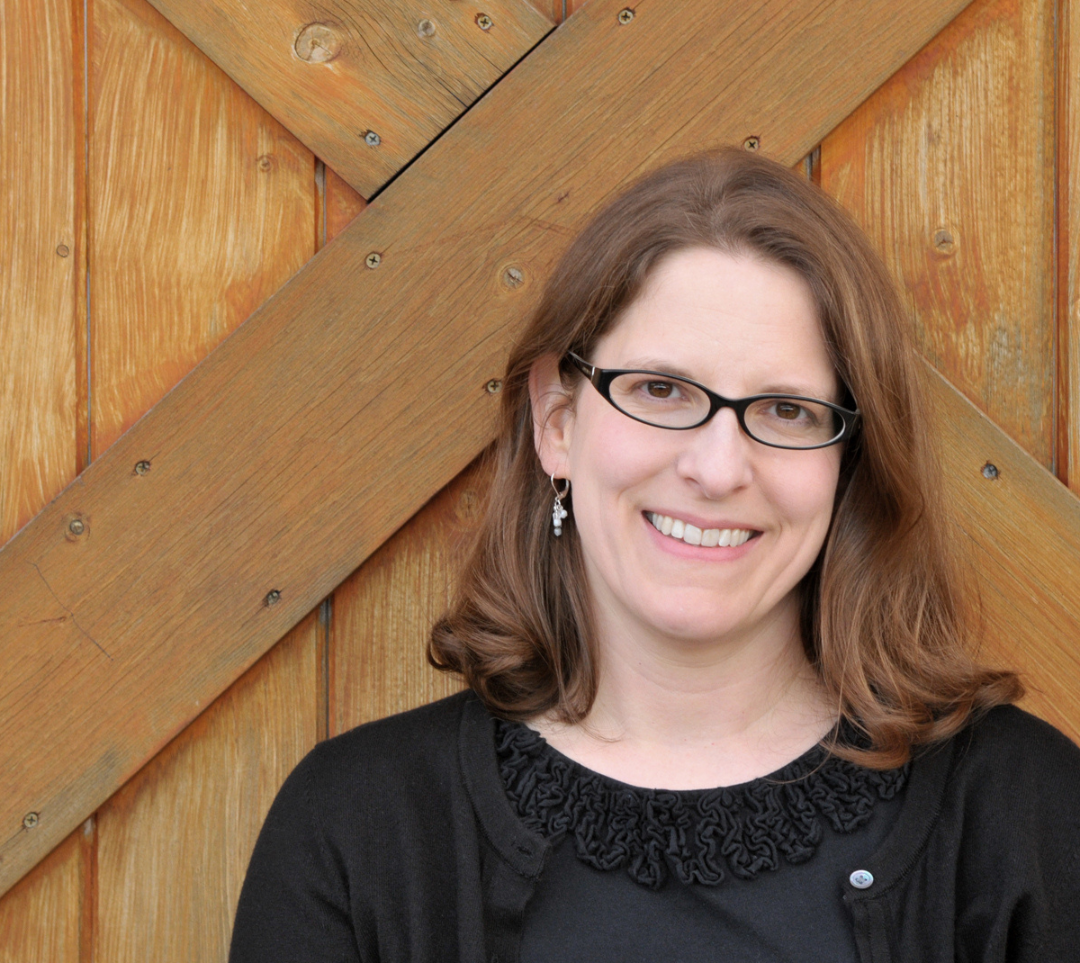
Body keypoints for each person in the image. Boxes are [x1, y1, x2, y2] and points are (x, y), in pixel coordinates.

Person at [229, 149, 1080, 963]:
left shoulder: (1022, 815)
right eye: (661, 392)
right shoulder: (361, 828)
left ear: (846, 461)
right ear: (557, 423)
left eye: (785, 410)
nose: (715, 469)